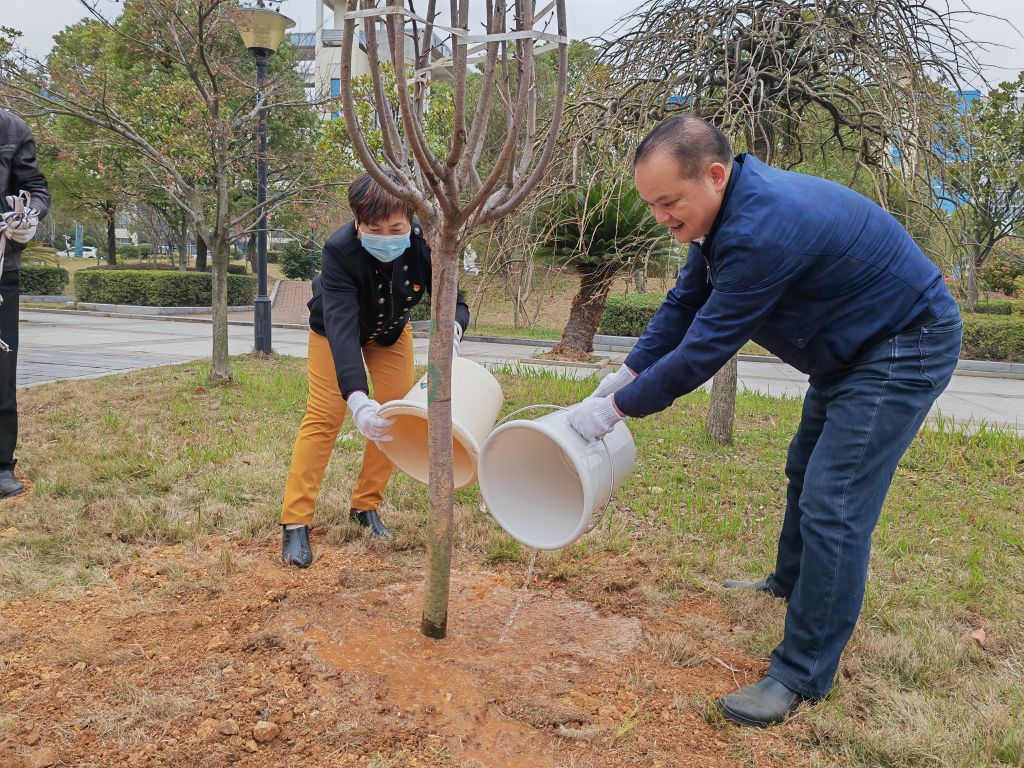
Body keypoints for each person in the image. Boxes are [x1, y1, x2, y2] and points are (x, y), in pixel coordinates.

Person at [567, 114, 961, 727]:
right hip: (850, 347)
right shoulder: (721, 218)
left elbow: (703, 348)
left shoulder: (761, 229)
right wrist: (623, 375)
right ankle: (790, 583)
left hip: (903, 343)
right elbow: (682, 306)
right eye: (650, 204)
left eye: (668, 202)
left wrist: (616, 411)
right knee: (804, 469)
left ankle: (800, 674)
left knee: (835, 499)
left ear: (715, 176)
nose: (660, 217)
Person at [279, 172, 470, 567]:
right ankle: (296, 522)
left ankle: (365, 506)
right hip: (335, 334)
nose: (387, 236)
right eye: (374, 228)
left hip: (390, 335)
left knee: (393, 416)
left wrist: (451, 325)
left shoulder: (426, 242)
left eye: (396, 227)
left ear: (410, 219)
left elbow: (452, 296)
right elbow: (342, 328)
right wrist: (356, 397)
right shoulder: (339, 251)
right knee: (324, 417)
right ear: (356, 223)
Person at [0, 109, 50, 499]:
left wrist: (29, 216)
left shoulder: (11, 129)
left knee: (1, 371)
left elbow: (35, 186)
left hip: (2, 268)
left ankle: (1, 465)